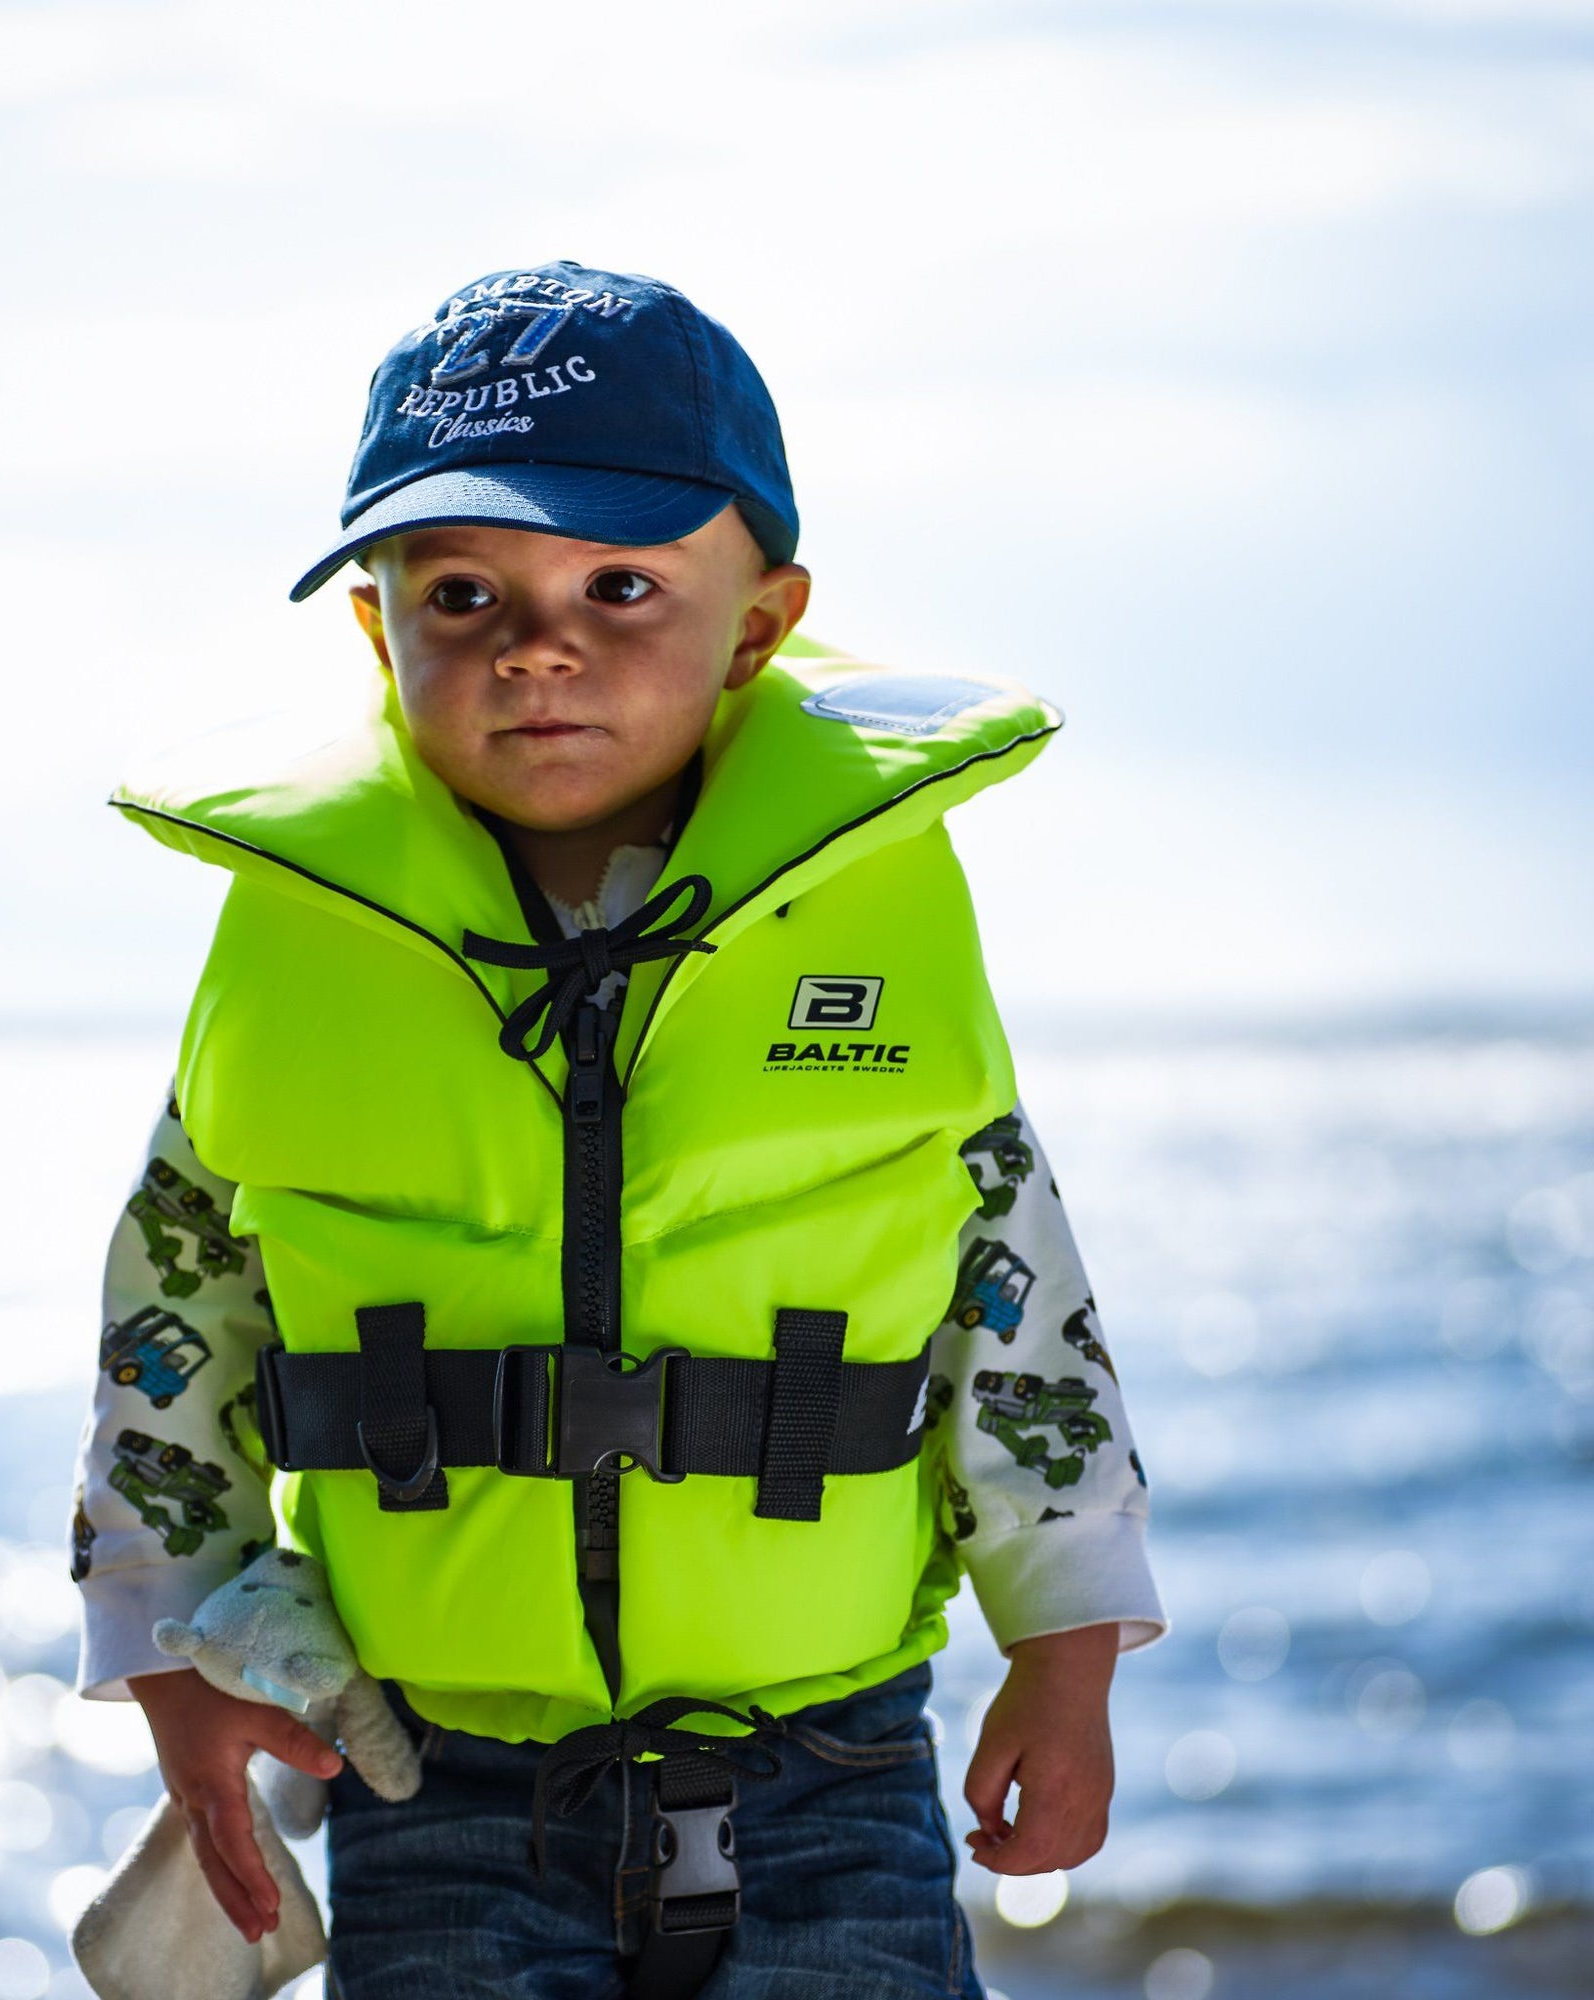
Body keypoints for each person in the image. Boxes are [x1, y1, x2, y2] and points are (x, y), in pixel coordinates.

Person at [69, 259, 1169, 1999]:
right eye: (461, 593)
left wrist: (1068, 1640)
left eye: (622, 584)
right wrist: (165, 1647)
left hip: (832, 1768)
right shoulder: (308, 939)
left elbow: (1013, 1291)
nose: (538, 644)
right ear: (376, 628)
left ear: (761, 621)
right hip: (435, 1783)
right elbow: (175, 1306)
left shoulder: (863, 917)